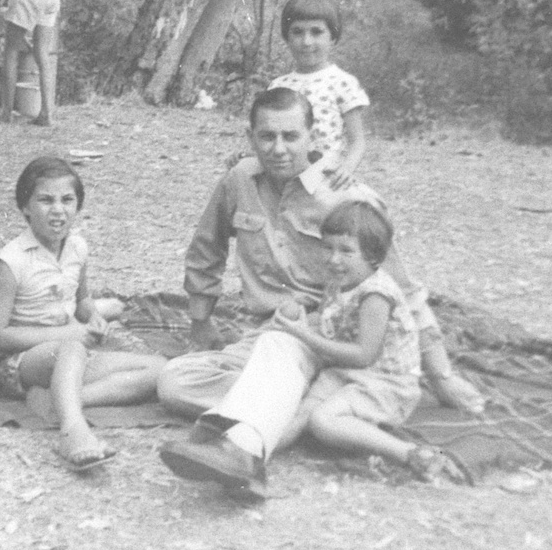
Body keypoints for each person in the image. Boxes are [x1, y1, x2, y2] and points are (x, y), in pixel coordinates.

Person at [157, 87, 483, 496]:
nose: (278, 148)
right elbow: (207, 248)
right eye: (266, 136)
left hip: (326, 330)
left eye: (291, 136)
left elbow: (403, 289)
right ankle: (293, 404)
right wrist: (200, 320)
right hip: (264, 331)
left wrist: (442, 374)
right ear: (250, 136)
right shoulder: (238, 180)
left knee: (284, 333)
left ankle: (242, 449)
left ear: (312, 136)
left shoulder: (348, 197)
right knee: (174, 382)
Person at [0, 157, 166, 469]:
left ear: (78, 206)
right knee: (71, 348)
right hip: (21, 362)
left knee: (160, 369)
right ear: (25, 208)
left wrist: (93, 315)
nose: (58, 210)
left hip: (70, 353)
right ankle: (73, 430)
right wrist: (68, 334)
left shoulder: (77, 248)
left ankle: (59, 400)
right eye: (45, 200)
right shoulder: (12, 262)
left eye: (67, 200)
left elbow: (82, 300)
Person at [271, 200, 461, 482]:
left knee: (322, 421)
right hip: (345, 371)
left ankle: (410, 453)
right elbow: (335, 322)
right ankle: (249, 453)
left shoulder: (375, 294)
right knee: (299, 415)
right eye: (328, 247)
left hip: (387, 382)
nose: (334, 259)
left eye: (346, 251)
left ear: (372, 256)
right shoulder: (340, 278)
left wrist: (303, 334)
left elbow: (364, 355)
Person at [268, 0, 368, 188]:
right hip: (283, 177)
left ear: (333, 36)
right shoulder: (278, 86)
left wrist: (346, 169)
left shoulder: (342, 83)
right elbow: (269, 134)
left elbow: (357, 141)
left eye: (316, 32)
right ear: (287, 37)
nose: (306, 41)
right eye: (297, 32)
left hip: (323, 179)